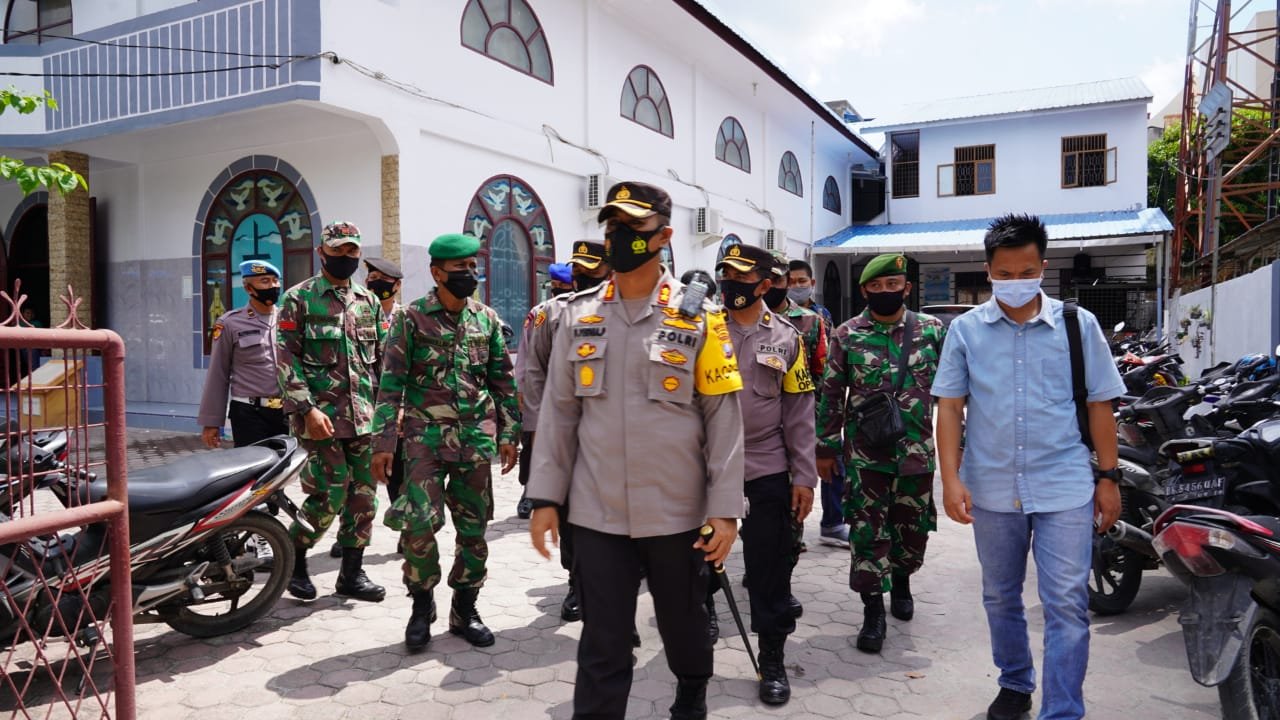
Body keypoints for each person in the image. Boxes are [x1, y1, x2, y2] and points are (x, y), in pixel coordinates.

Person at [527, 181, 745, 720]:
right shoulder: (577, 315)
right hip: (598, 512)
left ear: (664, 236)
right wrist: (546, 497)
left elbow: (723, 419)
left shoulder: (699, 316)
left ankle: (692, 688)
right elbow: (559, 413)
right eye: (612, 229)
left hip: (677, 512)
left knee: (684, 623)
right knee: (602, 641)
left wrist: (725, 511)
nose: (619, 238)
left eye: (633, 229)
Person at [932, 214, 1123, 720]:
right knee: (1000, 597)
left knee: (1066, 604)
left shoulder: (1079, 326)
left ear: (1043, 266)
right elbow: (950, 407)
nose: (1016, 283)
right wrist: (950, 480)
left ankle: (1062, 710)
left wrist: (1109, 478)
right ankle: (1015, 683)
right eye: (1004, 274)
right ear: (988, 271)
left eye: (1026, 272)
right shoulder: (967, 332)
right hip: (991, 489)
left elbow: (1100, 405)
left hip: (1065, 486)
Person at [371, 233, 520, 652]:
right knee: (419, 527)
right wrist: (383, 443)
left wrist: (509, 435)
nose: (469, 275)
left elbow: (504, 385)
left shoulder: (486, 319)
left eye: (473, 267)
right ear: (437, 273)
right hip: (424, 444)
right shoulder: (411, 319)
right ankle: (421, 607)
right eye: (460, 269)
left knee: (473, 531)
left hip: (474, 444)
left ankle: (464, 608)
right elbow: (390, 385)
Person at [815, 253, 945, 654]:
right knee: (869, 532)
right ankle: (872, 610)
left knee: (912, 529)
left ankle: (902, 584)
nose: (885, 292)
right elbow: (832, 394)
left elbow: (956, 393)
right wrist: (826, 446)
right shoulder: (847, 334)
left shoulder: (932, 331)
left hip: (917, 453)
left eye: (893, 286)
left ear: (906, 288)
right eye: (877, 286)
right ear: (864, 291)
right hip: (866, 456)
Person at [717, 244, 816, 705]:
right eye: (726, 274)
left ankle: (771, 658)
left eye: (741, 276)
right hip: (706, 467)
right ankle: (695, 653)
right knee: (695, 568)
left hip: (765, 465)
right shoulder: (698, 329)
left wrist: (804, 476)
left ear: (764, 284)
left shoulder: (788, 339)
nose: (730, 283)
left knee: (769, 570)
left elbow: (799, 411)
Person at [276, 221, 387, 604]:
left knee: (364, 498)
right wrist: (306, 409)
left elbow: (383, 362)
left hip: (364, 418)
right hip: (320, 419)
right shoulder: (299, 299)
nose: (345, 257)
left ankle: (352, 575)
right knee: (327, 496)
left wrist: (391, 411)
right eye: (337, 251)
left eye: (351, 251)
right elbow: (285, 358)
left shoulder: (368, 301)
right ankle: (293, 562)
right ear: (322, 253)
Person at [516, 246, 612, 624]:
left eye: (594, 270)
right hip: (572, 435)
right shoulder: (552, 314)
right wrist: (538, 428)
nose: (585, 277)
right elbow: (533, 372)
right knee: (573, 517)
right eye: (580, 271)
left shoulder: (634, 312)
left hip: (617, 438)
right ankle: (577, 583)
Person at [325, 255, 405, 558]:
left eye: (381, 277)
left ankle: (405, 528)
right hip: (359, 411)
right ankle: (349, 534)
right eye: (370, 276)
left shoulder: (406, 317)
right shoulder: (354, 311)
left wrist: (403, 408)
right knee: (356, 478)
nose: (373, 281)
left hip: (394, 411)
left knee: (398, 474)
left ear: (396, 285)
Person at [765, 259, 845, 550]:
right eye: (767, 279)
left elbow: (822, 379)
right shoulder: (738, 317)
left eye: (779, 279)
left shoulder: (811, 322)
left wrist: (822, 433)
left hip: (797, 425)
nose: (772, 285)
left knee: (793, 497)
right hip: (755, 429)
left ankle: (786, 559)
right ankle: (759, 561)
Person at [198, 260, 287, 450]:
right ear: (248, 288)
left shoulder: (289, 320)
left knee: (285, 472)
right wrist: (212, 421)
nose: (272, 286)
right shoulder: (230, 323)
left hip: (287, 412)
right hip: (249, 414)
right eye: (265, 281)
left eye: (275, 280)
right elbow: (218, 374)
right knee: (254, 473)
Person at [514, 261, 575, 519]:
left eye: (562, 286)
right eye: (556, 287)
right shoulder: (540, 313)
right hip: (543, 394)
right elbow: (527, 354)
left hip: (572, 396)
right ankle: (530, 493)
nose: (558, 291)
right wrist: (522, 388)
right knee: (534, 447)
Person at [787, 258, 834, 326]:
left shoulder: (823, 313)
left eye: (802, 281)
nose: (797, 286)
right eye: (791, 282)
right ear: (785, 284)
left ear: (812, 283)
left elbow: (830, 335)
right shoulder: (778, 315)